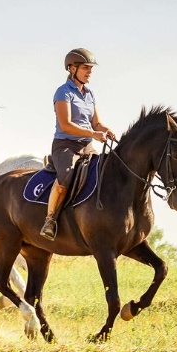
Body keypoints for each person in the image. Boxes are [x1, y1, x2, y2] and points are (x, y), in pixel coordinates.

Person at [41, 48, 116, 241]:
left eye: (90, 68)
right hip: (65, 145)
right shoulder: (63, 92)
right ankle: (50, 220)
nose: (90, 71)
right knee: (66, 177)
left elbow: (97, 122)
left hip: (87, 146)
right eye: (85, 68)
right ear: (72, 68)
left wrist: (106, 130)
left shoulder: (89, 93)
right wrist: (93, 133)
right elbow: (66, 124)